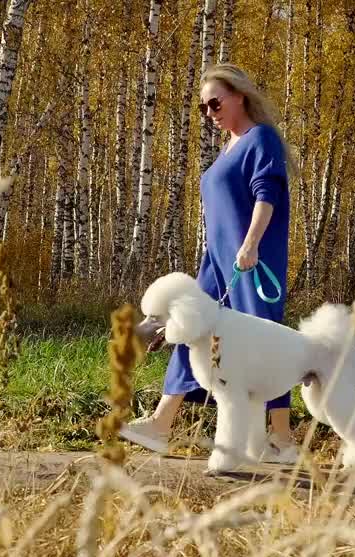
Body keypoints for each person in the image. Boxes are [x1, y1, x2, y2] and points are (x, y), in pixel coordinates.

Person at [120, 63, 300, 462]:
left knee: (265, 341)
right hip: (217, 263)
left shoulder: (261, 139)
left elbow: (265, 194)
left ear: (240, 96)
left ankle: (282, 439)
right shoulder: (228, 148)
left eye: (215, 103)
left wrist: (251, 244)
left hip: (250, 261)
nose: (210, 113)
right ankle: (161, 424)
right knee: (190, 331)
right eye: (203, 108)